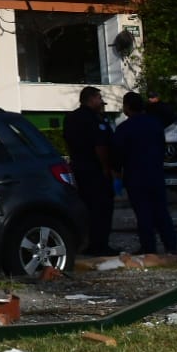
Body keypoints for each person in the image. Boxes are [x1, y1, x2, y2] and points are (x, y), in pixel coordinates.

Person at [113, 92, 177, 255]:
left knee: (143, 214)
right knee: (161, 211)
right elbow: (162, 147)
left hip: (135, 174)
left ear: (127, 107)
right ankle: (171, 245)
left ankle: (149, 247)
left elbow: (117, 155)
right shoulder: (155, 124)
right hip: (155, 172)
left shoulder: (124, 129)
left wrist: (117, 173)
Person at [63, 85, 115, 255]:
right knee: (102, 209)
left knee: (86, 208)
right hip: (95, 170)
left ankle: (87, 243)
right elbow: (100, 146)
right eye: (99, 99)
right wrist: (106, 167)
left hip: (79, 168)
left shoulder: (71, 118)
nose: (101, 102)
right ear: (91, 99)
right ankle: (100, 245)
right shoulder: (93, 119)